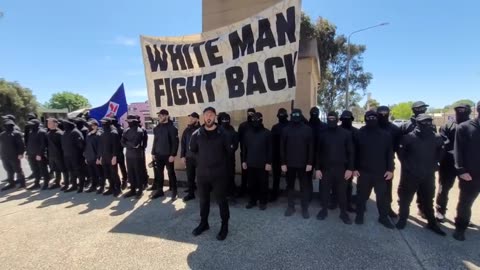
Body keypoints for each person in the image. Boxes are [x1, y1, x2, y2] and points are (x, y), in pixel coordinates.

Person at [396, 114, 445, 236]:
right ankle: (402, 219)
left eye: (429, 122)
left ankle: (432, 223)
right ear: (417, 123)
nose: (427, 124)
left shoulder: (436, 138)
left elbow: (441, 151)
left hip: (428, 175)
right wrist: (408, 168)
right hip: (410, 175)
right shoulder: (408, 138)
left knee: (428, 200)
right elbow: (401, 154)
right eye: (424, 122)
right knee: (405, 199)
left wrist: (436, 163)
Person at [190, 107, 232, 241]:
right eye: (206, 115)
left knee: (221, 201)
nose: (209, 117)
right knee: (203, 201)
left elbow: (229, 152)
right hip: (202, 174)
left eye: (211, 115)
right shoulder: (196, 134)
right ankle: (204, 223)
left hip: (219, 174)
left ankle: (224, 226)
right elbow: (193, 150)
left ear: (215, 116)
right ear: (203, 117)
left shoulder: (223, 133)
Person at [353, 111, 395, 229]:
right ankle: (359, 215)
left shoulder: (385, 135)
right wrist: (354, 168)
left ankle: (383, 217)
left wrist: (390, 169)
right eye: (368, 117)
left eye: (374, 117)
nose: (371, 119)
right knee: (361, 196)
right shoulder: (360, 133)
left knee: (382, 197)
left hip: (381, 173)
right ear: (365, 119)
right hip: (363, 172)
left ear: (377, 119)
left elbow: (390, 154)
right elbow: (355, 152)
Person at [315, 112, 354, 224]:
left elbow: (351, 152)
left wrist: (350, 169)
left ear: (337, 119)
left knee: (342, 193)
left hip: (342, 169)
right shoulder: (322, 134)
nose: (331, 120)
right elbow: (318, 152)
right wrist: (317, 169)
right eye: (329, 118)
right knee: (325, 192)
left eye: (333, 118)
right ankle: (324, 211)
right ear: (327, 119)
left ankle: (343, 213)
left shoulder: (346, 134)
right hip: (325, 169)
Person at [435, 104, 471, 222]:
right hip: (448, 163)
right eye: (458, 110)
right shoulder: (447, 125)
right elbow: (444, 141)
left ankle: (463, 215)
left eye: (463, 110)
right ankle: (440, 211)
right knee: (443, 188)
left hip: (467, 164)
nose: (460, 112)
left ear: (469, 111)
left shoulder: (473, 126)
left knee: (466, 192)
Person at [452, 101, 480, 241]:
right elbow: (458, 151)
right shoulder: (464, 127)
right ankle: (460, 227)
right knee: (465, 203)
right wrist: (461, 170)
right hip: (470, 175)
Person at [281, 109, 314, 219]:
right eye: (293, 114)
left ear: (301, 116)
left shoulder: (308, 129)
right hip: (289, 164)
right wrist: (283, 163)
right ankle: (291, 207)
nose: (295, 116)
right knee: (290, 186)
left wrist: (310, 162)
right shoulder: (286, 130)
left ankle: (304, 208)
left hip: (304, 164)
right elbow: (282, 148)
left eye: (297, 114)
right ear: (291, 116)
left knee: (304, 187)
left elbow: (311, 148)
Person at [242, 112, 272, 210]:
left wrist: (269, 162)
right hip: (250, 163)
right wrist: (243, 161)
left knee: (263, 184)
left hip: (263, 164)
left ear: (261, 120)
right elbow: (244, 148)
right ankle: (252, 201)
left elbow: (270, 149)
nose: (255, 122)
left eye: (257, 120)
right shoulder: (247, 133)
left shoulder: (267, 133)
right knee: (251, 184)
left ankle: (263, 202)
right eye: (253, 120)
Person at [376, 106, 402, 218]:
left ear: (388, 113)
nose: (382, 114)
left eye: (385, 112)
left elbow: (397, 147)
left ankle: (388, 208)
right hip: (369, 162)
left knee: (387, 188)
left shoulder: (395, 129)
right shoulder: (371, 126)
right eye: (380, 112)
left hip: (387, 163)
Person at [151, 109, 179, 200]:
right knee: (159, 173)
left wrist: (173, 155)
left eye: (161, 115)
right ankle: (160, 191)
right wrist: (153, 153)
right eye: (159, 116)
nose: (160, 117)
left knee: (171, 173)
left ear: (167, 116)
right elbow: (155, 141)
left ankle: (174, 191)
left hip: (168, 155)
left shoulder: (172, 128)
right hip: (158, 155)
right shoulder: (157, 128)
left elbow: (175, 142)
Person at [337, 110, 358, 212]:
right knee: (335, 184)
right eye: (344, 119)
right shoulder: (336, 130)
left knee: (348, 186)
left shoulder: (356, 132)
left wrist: (354, 167)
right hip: (337, 162)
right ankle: (334, 201)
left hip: (349, 163)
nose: (346, 120)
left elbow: (358, 150)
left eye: (348, 119)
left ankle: (348, 204)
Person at [121, 115, 145, 199]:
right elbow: (122, 142)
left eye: (129, 121)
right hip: (129, 155)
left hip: (137, 155)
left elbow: (135, 143)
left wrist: (128, 143)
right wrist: (129, 144)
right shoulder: (126, 130)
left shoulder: (139, 131)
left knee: (138, 172)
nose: (128, 123)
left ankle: (140, 189)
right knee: (130, 173)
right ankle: (133, 189)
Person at [218, 112, 239, 202]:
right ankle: (222, 194)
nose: (226, 121)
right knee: (221, 177)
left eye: (227, 120)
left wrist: (232, 148)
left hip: (230, 158)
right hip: (220, 159)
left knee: (231, 176)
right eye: (224, 120)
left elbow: (235, 143)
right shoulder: (218, 130)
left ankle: (231, 194)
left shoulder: (232, 130)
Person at [307, 107, 327, 201]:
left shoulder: (324, 126)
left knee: (322, 178)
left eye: (316, 113)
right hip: (308, 155)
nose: (314, 114)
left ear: (318, 113)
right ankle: (308, 196)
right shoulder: (306, 125)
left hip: (321, 155)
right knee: (307, 178)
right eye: (312, 113)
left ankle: (322, 197)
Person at [98, 117, 122, 197]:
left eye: (104, 123)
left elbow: (116, 146)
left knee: (114, 173)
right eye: (102, 122)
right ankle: (111, 187)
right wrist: (101, 157)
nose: (103, 124)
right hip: (104, 156)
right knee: (107, 173)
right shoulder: (102, 133)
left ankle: (118, 188)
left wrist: (114, 156)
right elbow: (101, 146)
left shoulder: (113, 132)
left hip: (112, 156)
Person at [0, 119, 26, 191]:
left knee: (18, 170)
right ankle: (11, 183)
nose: (7, 127)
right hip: (4, 155)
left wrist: (21, 153)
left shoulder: (16, 134)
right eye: (6, 125)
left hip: (14, 156)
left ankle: (22, 184)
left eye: (9, 125)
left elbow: (21, 145)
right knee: (9, 170)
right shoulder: (2, 134)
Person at [270, 108, 289, 202]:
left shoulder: (290, 125)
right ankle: (274, 194)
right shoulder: (275, 127)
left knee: (289, 178)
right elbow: (272, 143)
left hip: (288, 155)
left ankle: (290, 195)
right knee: (276, 177)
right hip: (277, 155)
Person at [181, 112, 201, 202]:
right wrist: (182, 156)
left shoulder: (201, 129)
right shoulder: (187, 130)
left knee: (201, 176)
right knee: (190, 176)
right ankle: (191, 193)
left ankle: (203, 192)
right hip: (189, 157)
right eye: (190, 118)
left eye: (193, 118)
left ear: (197, 119)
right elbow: (183, 143)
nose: (190, 120)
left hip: (200, 158)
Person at [61, 118, 85, 192]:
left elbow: (81, 145)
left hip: (76, 156)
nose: (64, 126)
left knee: (79, 171)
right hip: (67, 155)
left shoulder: (76, 132)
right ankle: (74, 185)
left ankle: (81, 186)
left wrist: (78, 153)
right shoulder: (65, 133)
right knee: (71, 171)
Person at [25, 119, 50, 190]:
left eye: (32, 124)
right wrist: (27, 153)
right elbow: (29, 143)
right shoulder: (31, 132)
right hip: (31, 154)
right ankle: (36, 183)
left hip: (39, 155)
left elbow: (43, 144)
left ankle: (46, 183)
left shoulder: (41, 132)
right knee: (34, 169)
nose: (30, 126)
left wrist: (40, 154)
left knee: (43, 169)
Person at [237, 108, 256, 197]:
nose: (250, 115)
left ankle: (253, 190)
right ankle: (243, 189)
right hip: (244, 152)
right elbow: (239, 138)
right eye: (249, 113)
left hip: (255, 153)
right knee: (244, 172)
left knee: (254, 173)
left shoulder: (256, 125)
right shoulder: (243, 125)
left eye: (252, 113)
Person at [46, 118, 67, 190]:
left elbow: (63, 145)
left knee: (63, 169)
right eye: (48, 123)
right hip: (52, 155)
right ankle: (57, 182)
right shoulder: (48, 133)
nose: (48, 124)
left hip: (59, 155)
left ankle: (66, 183)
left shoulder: (60, 133)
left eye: (50, 123)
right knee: (56, 170)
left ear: (55, 123)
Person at [84, 119, 103, 193]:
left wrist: (99, 158)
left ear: (95, 126)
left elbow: (100, 148)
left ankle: (101, 186)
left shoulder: (99, 134)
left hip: (96, 158)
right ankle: (93, 186)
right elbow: (86, 146)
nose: (89, 127)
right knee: (92, 173)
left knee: (100, 173)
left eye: (91, 125)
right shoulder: (88, 134)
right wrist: (86, 156)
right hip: (89, 157)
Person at [112, 117, 129, 190]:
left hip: (118, 151)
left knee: (120, 167)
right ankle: (123, 180)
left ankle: (123, 181)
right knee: (121, 167)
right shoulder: (119, 129)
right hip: (118, 151)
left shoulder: (119, 129)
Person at [24, 113, 38, 180]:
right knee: (32, 162)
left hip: (37, 147)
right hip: (30, 146)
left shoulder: (38, 125)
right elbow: (26, 138)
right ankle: (35, 173)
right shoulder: (27, 126)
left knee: (40, 162)